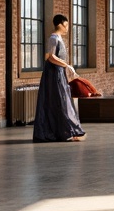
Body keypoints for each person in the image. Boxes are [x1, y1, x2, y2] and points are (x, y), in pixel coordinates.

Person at [33, 14, 86, 142]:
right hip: (53, 74)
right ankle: (63, 131)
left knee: (62, 100)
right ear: (59, 25)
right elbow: (49, 57)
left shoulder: (59, 39)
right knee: (59, 101)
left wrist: (66, 67)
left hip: (58, 72)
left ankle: (65, 131)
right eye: (66, 25)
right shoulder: (53, 38)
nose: (67, 28)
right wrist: (67, 65)